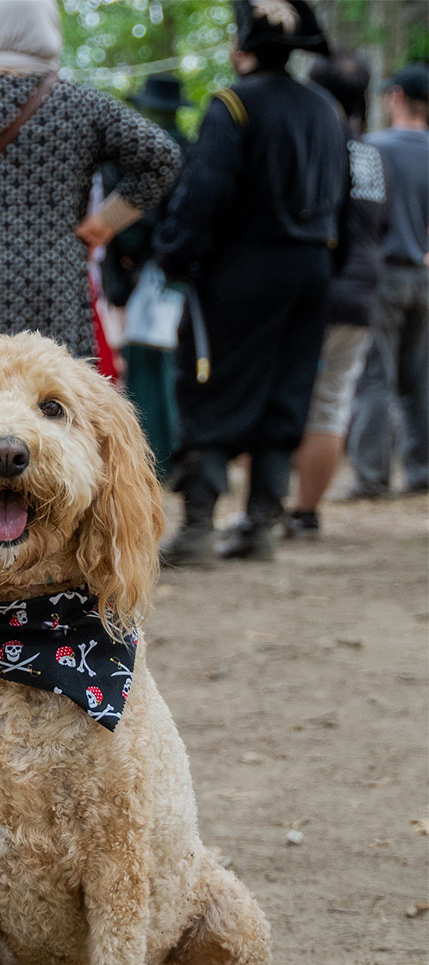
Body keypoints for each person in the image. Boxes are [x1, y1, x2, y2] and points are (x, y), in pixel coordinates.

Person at [0, 0, 180, 375]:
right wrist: (105, 223)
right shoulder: (82, 103)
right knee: (51, 403)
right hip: (53, 276)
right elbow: (161, 156)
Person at [154, 0, 347, 565]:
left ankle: (197, 528)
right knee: (287, 388)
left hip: (242, 273)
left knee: (213, 384)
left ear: (243, 48)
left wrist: (175, 256)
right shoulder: (327, 109)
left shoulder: (232, 105)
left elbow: (203, 195)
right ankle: (260, 521)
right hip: (312, 270)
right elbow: (343, 202)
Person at [285, 52, 388, 538]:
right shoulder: (370, 152)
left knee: (295, 399)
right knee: (332, 404)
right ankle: (306, 512)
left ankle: (277, 504)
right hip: (365, 291)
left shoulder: (323, 143)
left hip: (322, 287)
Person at [345, 63, 429, 499]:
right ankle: (422, 472)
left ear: (396, 97)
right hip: (424, 275)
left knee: (375, 376)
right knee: (421, 377)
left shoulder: (374, 149)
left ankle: (372, 477)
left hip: (384, 276)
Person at [101, 73, 191, 479]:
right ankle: (175, 453)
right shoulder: (195, 152)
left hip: (155, 277)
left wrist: (127, 259)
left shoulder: (139, 161)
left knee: (149, 366)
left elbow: (134, 224)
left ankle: (157, 457)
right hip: (187, 277)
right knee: (175, 364)